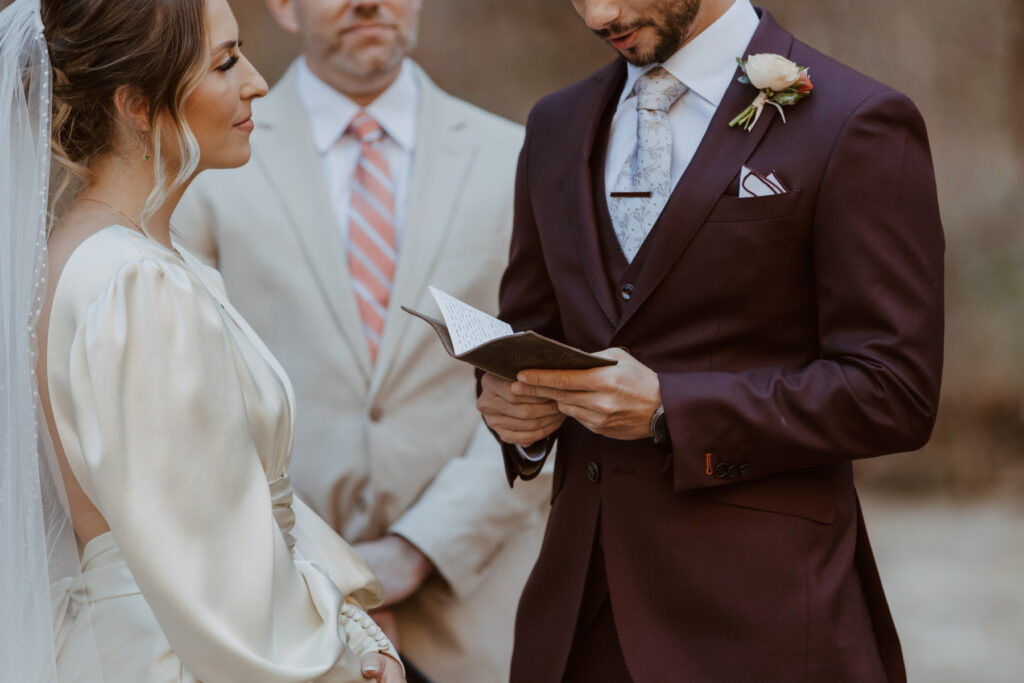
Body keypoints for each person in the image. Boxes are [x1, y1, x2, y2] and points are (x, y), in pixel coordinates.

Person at [475, 0, 944, 681]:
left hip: (763, 622)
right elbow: (531, 329)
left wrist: (673, 407)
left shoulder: (856, 118)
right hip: (576, 623)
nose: (597, 14)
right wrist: (516, 416)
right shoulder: (555, 123)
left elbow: (894, 390)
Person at [0, 0, 407, 680]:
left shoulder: (107, 255)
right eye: (225, 63)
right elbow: (211, 569)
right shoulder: (133, 284)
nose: (257, 82)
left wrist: (353, 624)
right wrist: (344, 663)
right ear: (135, 103)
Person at [173, 0, 548, 680]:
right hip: (283, 609)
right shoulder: (207, 161)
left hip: (484, 605)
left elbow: (547, 377)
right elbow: (194, 394)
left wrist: (419, 548)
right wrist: (318, 566)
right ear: (283, 7)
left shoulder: (516, 155)